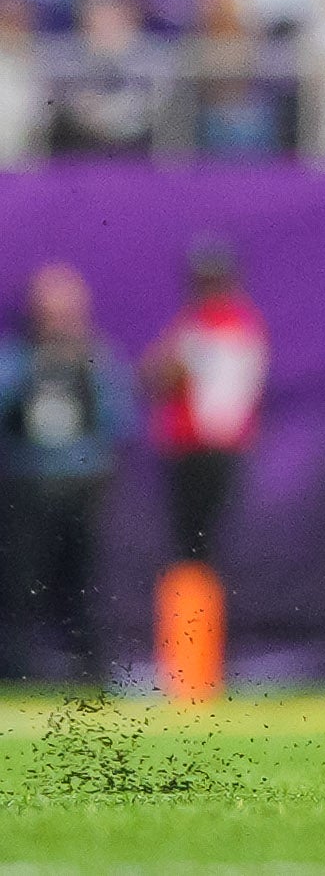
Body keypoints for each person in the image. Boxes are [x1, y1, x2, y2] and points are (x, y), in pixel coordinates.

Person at [1, 266, 135, 682]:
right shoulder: (17, 357)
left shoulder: (98, 357)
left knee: (85, 582)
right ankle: (14, 670)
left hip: (82, 484)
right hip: (28, 484)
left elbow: (120, 419)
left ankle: (91, 673)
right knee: (19, 583)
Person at [142, 237, 268, 567]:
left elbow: (165, 374)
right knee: (193, 544)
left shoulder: (220, 324)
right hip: (197, 445)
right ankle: (194, 617)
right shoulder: (205, 321)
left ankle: (198, 618)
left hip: (206, 446)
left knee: (197, 543)